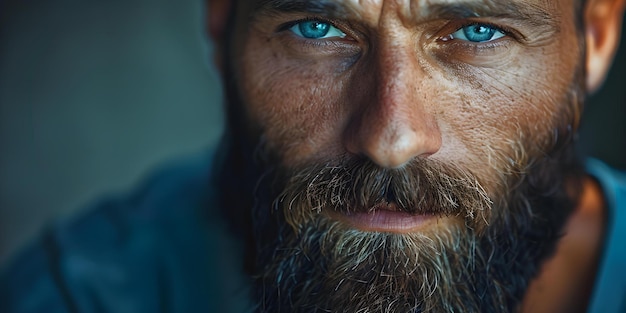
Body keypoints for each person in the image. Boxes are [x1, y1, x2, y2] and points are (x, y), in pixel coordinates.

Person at [1, 0, 625, 312]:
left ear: (595, 36)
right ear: (223, 25)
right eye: (317, 29)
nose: (391, 139)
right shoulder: (85, 295)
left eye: (477, 32)